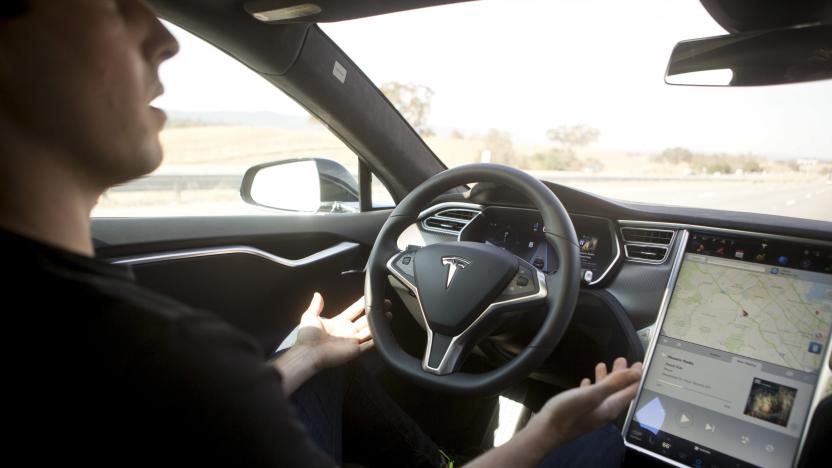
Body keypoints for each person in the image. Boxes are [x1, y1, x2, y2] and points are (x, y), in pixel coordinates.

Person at [0, 1, 642, 467]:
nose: (163, 38)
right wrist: (547, 432)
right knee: (615, 433)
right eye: (115, 3)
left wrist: (305, 352)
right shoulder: (172, 362)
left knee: (331, 363)